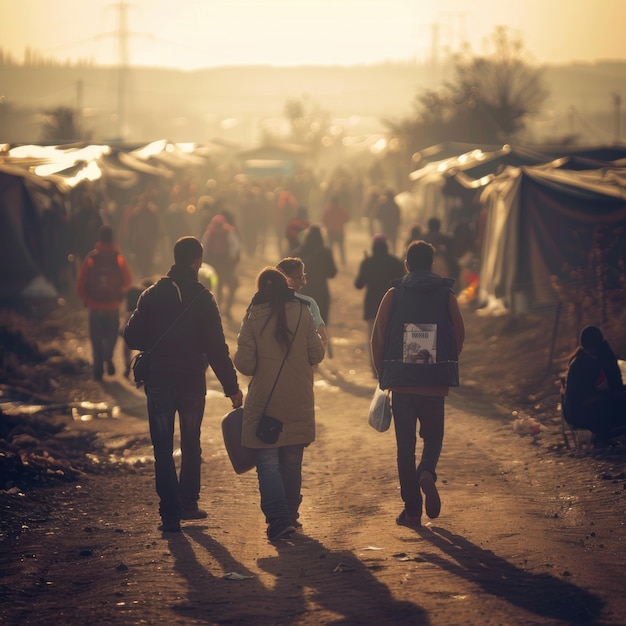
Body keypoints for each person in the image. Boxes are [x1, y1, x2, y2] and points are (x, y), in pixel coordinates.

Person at [123, 236, 243, 533]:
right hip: (191, 383)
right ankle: (189, 503)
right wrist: (232, 387)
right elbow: (217, 347)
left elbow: (132, 337)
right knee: (191, 443)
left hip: (160, 382)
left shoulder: (150, 295)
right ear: (197, 261)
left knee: (162, 449)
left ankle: (170, 514)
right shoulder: (204, 298)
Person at [371, 240, 465, 528]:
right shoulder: (447, 294)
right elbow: (459, 334)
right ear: (432, 264)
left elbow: (378, 336)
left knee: (404, 447)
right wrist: (442, 362)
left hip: (402, 385)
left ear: (407, 264)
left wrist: (383, 374)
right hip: (434, 383)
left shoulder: (394, 294)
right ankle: (427, 471)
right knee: (434, 437)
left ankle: (412, 510)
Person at [234, 268, 325, 541]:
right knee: (292, 460)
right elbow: (317, 354)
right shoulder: (304, 310)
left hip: (265, 400)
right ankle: (291, 516)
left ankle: (278, 518)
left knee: (268, 460)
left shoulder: (253, 316)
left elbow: (245, 364)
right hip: (299, 396)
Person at [77, 225, 133, 382]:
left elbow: (81, 282)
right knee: (111, 335)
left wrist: (86, 299)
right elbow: (128, 280)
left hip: (94, 306)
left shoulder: (91, 258)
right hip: (113, 306)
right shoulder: (118, 258)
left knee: (95, 338)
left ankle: (97, 369)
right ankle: (108, 356)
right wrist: (120, 292)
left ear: (99, 239)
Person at [563, 325, 626, 446]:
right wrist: (609, 395)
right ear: (594, 346)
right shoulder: (583, 364)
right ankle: (602, 438)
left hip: (583, 408)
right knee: (615, 405)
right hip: (579, 413)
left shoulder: (588, 359)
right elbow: (583, 399)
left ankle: (605, 436)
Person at [354, 234, 405, 375]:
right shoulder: (395, 262)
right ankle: (390, 366)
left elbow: (358, 284)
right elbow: (402, 282)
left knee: (373, 337)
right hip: (392, 304)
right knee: (391, 336)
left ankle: (375, 369)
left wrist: (365, 266)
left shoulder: (368, 262)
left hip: (372, 305)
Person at [276, 257, 328, 351]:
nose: (304, 283)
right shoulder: (308, 304)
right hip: (300, 363)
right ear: (287, 279)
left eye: (303, 277)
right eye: (300, 278)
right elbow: (322, 340)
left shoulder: (260, 304)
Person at [292, 225, 337, 327]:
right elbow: (332, 273)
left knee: (303, 323)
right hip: (321, 292)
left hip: (302, 291)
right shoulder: (325, 252)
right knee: (321, 322)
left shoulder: (298, 252)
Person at [201, 214, 240, 318]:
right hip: (225, 262)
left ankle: (218, 310)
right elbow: (234, 246)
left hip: (213, 263)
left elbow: (203, 247)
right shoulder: (228, 232)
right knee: (231, 286)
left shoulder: (210, 232)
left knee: (218, 286)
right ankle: (226, 310)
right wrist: (232, 259)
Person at [321, 195, 350, 266]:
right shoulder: (341, 210)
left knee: (330, 248)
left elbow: (323, 220)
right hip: (340, 231)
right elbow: (347, 219)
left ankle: (330, 261)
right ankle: (343, 261)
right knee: (341, 247)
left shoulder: (327, 210)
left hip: (331, 231)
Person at [374, 189, 401, 254]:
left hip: (385, 226)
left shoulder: (383, 205)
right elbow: (398, 217)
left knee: (385, 241)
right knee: (393, 242)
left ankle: (384, 253)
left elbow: (377, 215)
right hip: (394, 226)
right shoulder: (396, 206)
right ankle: (394, 253)